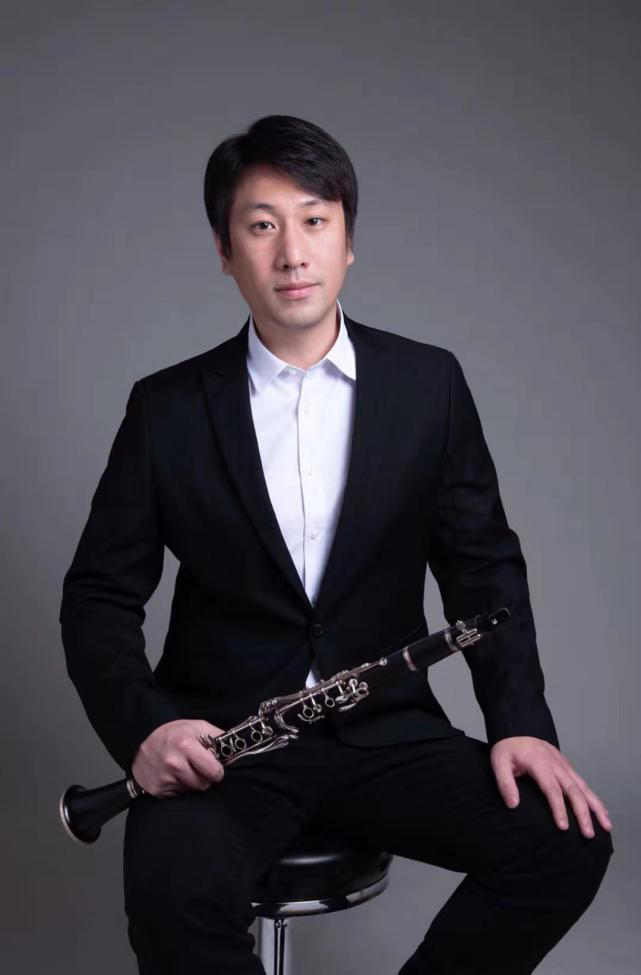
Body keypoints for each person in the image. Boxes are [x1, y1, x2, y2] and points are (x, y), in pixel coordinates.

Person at [59, 114, 614, 974]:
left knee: (564, 844)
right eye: (261, 225)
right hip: (225, 740)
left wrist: (521, 724)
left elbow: (482, 569)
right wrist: (148, 728)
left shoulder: (427, 385)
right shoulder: (166, 408)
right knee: (172, 901)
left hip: (386, 733)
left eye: (314, 220)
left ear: (348, 239)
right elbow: (98, 595)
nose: (292, 253)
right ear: (225, 250)